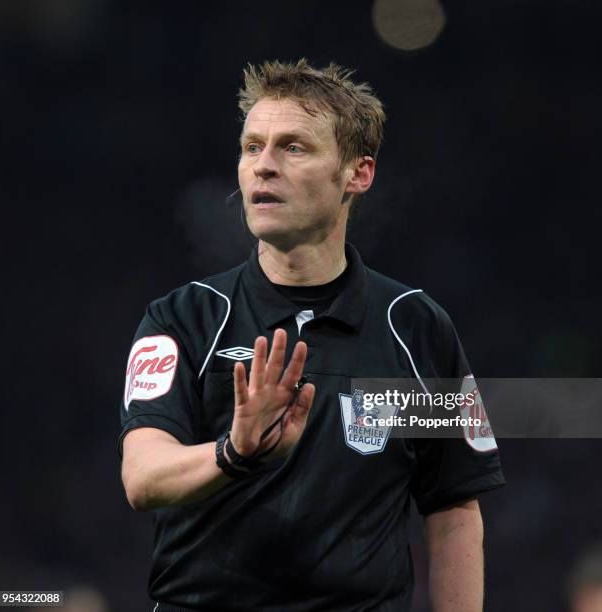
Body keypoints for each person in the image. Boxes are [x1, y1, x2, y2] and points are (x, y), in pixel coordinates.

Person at [119, 59, 505, 612]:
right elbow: (143, 477)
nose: (263, 167)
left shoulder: (416, 327)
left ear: (357, 173)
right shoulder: (183, 318)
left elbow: (454, 514)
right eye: (252, 147)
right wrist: (235, 452)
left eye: (293, 148)